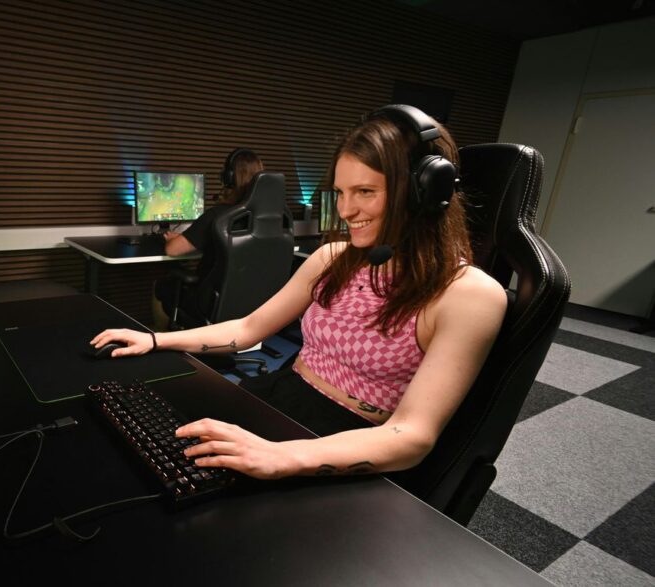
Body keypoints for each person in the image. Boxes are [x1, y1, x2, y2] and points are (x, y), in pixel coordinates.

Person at [92, 105, 507, 479]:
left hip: (350, 436)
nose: (345, 210)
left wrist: (280, 457)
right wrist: (154, 338)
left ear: (423, 194)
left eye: (365, 192)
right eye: (342, 193)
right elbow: (252, 327)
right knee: (148, 435)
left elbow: (413, 435)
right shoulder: (333, 257)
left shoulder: (468, 295)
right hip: (284, 391)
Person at [152, 148, 265, 329]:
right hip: (254, 303)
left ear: (228, 178)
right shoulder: (267, 219)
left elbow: (171, 250)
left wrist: (175, 239)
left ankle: (161, 343)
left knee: (161, 287)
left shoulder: (218, 216)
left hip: (211, 303)